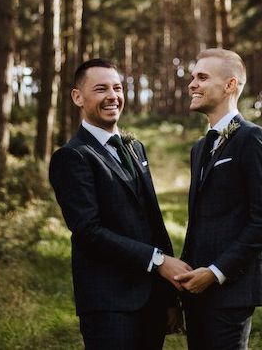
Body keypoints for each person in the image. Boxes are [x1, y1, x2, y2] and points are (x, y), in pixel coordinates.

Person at [49, 58, 191, 349]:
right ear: (78, 97)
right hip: (109, 305)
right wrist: (159, 261)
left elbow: (153, 222)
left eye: (117, 87)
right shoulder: (72, 157)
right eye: (101, 89)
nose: (112, 96)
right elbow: (88, 232)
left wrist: (168, 298)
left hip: (151, 299)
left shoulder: (134, 147)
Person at [175, 48, 262, 350]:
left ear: (230, 85)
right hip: (197, 286)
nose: (192, 84)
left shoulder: (253, 139)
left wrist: (216, 272)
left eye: (202, 77)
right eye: (193, 77)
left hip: (231, 286)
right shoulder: (199, 148)